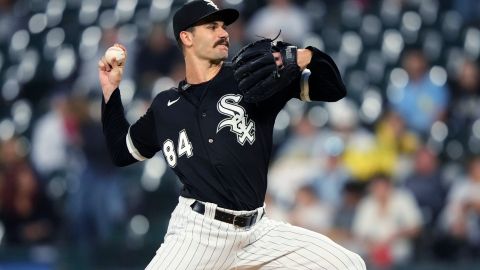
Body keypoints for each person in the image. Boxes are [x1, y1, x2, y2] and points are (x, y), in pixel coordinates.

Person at [98, 1, 365, 269]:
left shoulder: (249, 79)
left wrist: (305, 56)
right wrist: (110, 92)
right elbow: (122, 152)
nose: (223, 33)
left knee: (349, 265)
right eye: (212, 27)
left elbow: (333, 89)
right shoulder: (165, 107)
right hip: (198, 234)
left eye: (224, 27)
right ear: (186, 37)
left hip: (257, 233)